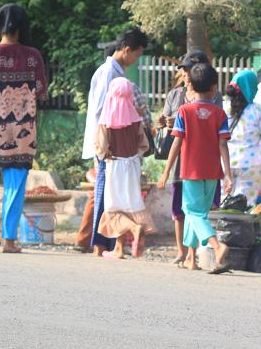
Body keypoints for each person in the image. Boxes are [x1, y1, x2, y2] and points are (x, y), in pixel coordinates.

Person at [76, 28, 148, 255]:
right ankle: (99, 244)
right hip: (108, 146)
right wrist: (103, 145)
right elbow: (100, 113)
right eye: (137, 54)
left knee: (108, 194)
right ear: (127, 50)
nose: (137, 59)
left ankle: (101, 244)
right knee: (104, 194)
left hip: (114, 146)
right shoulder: (109, 73)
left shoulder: (116, 73)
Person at [157, 63, 233, 275]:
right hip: (213, 173)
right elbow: (223, 145)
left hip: (190, 171)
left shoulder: (184, 112)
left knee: (193, 212)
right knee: (199, 214)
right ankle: (191, 258)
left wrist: (166, 172)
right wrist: (228, 174)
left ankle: (217, 247)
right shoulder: (219, 114)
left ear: (191, 86)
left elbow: (176, 144)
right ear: (213, 89)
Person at [0, 4, 47, 253]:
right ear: (23, 27)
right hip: (22, 132)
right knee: (15, 183)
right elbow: (42, 93)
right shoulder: (33, 56)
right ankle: (9, 240)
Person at [95, 77, 156, 259]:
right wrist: (134, 156)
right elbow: (144, 145)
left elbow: (101, 147)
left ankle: (132, 228)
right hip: (132, 165)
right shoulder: (136, 119)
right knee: (129, 204)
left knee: (114, 207)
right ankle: (119, 249)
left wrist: (103, 155)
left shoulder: (106, 120)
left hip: (114, 165)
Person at [226, 70, 261, 206]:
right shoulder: (258, 110)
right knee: (246, 205)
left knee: (224, 204)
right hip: (251, 165)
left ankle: (224, 228)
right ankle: (241, 228)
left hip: (226, 163)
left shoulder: (223, 109)